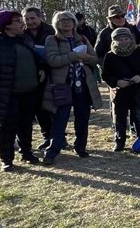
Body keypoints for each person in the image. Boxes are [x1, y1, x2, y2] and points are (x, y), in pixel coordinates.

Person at [0, 11, 45, 171]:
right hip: (8, 93)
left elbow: (35, 58)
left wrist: (40, 68)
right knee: (7, 125)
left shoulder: (25, 40)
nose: (22, 23)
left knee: (26, 124)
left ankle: (27, 153)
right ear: (6, 25)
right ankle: (6, 159)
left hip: (29, 91)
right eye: (18, 21)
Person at [42, 11, 103, 165]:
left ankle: (80, 147)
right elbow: (52, 60)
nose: (66, 22)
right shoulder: (52, 39)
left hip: (83, 85)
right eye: (62, 20)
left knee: (83, 118)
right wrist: (73, 56)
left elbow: (94, 58)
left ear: (74, 22)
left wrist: (86, 57)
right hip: (63, 86)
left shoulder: (82, 38)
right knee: (60, 120)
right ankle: (52, 151)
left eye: (69, 20)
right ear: (56, 23)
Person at [101, 28, 140, 151]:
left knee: (138, 116)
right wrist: (116, 82)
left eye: (126, 38)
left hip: (137, 89)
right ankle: (119, 141)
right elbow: (105, 74)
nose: (124, 41)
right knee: (120, 117)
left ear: (131, 39)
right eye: (120, 39)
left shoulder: (139, 51)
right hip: (120, 91)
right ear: (114, 41)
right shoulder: (110, 55)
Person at [22, 7, 56, 150]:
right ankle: (47, 136)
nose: (30, 22)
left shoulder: (52, 31)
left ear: (40, 17)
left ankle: (58, 135)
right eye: (27, 19)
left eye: (32, 18)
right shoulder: (22, 34)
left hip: (53, 73)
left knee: (54, 106)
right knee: (39, 107)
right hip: (32, 75)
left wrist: (45, 67)